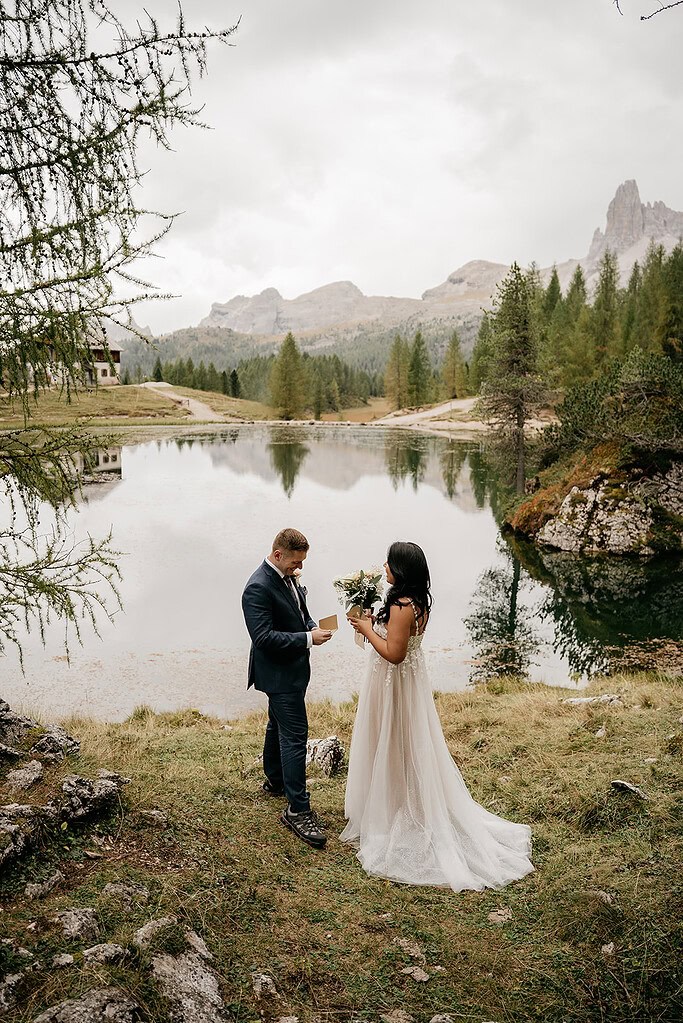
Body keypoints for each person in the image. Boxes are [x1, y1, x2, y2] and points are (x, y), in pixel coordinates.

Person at [341, 541, 534, 891]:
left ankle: (398, 811)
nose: (384, 565)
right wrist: (372, 622)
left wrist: (365, 628)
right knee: (400, 742)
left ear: (401, 570)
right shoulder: (413, 602)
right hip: (402, 685)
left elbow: (395, 654)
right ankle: (394, 799)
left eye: (390, 562)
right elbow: (395, 640)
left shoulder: (402, 605)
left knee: (394, 740)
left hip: (394, 685)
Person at [242, 528, 333, 848]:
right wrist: (309, 639)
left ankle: (275, 781)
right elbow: (263, 638)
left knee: (276, 724)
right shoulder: (257, 587)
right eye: (296, 562)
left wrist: (312, 628)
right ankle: (298, 810)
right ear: (278, 555)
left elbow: (300, 614)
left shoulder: (288, 576)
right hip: (279, 675)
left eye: (302, 563)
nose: (300, 569)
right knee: (295, 737)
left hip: (293, 671)